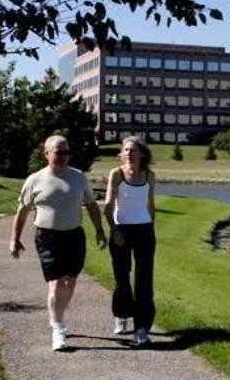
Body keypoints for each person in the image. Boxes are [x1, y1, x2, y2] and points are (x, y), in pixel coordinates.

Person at [10, 135, 107, 351]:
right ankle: (58, 328)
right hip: (47, 237)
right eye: (58, 152)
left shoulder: (79, 177)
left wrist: (100, 230)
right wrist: (14, 238)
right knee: (55, 283)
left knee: (70, 281)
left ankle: (57, 317)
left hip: (74, 235)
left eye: (66, 152)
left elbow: (91, 205)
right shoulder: (34, 180)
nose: (63, 156)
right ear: (46, 154)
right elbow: (23, 210)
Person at [103, 136, 157, 347]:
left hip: (144, 229)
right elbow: (108, 205)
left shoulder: (149, 176)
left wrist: (151, 226)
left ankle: (142, 327)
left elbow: (151, 204)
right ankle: (122, 314)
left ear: (142, 153)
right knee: (122, 276)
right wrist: (113, 229)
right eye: (126, 150)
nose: (128, 153)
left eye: (133, 150)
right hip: (121, 230)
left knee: (144, 280)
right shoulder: (116, 174)